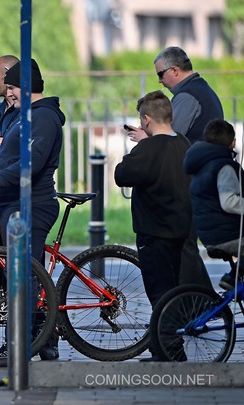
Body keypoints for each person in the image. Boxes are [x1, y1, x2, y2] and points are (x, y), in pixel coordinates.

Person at [0, 58, 65, 361]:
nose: (8, 93)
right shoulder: (20, 115)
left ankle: (24, 343)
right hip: (12, 201)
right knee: (20, 273)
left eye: (12, 87)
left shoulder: (42, 118)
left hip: (31, 205)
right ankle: (31, 340)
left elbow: (30, 163)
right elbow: (3, 160)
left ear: (26, 87)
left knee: (23, 275)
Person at [127, 46, 223, 288]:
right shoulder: (202, 90)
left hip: (190, 183)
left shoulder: (187, 96)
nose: (159, 81)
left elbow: (168, 137)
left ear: (175, 70)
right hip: (202, 178)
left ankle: (192, 308)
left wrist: (146, 138)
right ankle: (195, 307)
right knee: (186, 251)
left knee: (184, 250)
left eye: (160, 74)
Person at [115, 90, 191, 362]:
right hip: (181, 229)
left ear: (146, 119)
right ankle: (165, 344)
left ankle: (169, 349)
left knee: (159, 291)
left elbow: (122, 175)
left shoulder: (147, 148)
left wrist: (139, 147)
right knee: (173, 287)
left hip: (153, 230)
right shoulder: (183, 143)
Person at [184, 119, 244, 290]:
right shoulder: (224, 166)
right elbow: (229, 202)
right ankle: (233, 277)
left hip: (210, 232)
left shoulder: (201, 164)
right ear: (233, 143)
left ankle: (236, 277)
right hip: (227, 235)